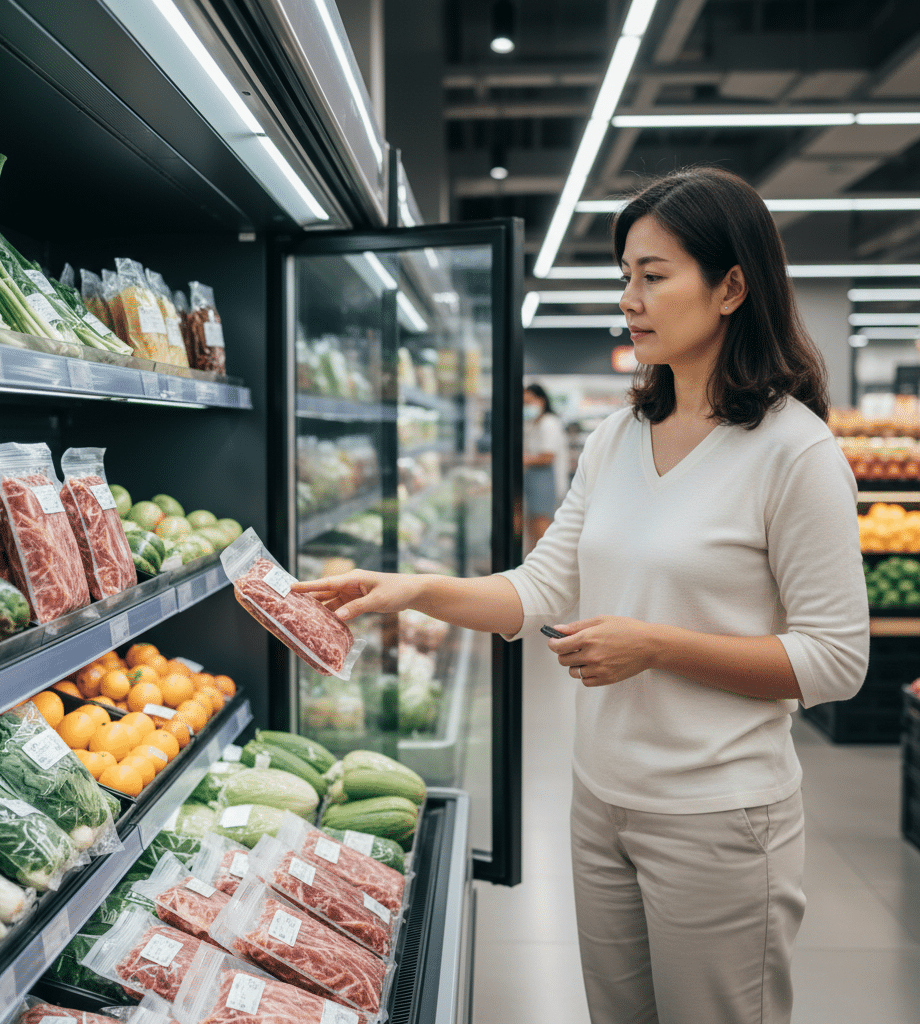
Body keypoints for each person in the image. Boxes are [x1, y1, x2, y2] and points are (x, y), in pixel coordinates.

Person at [293, 166, 869, 1024]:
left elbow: (836, 660)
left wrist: (657, 645)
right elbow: (537, 588)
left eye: (654, 275)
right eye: (624, 277)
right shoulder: (616, 437)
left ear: (732, 287)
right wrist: (409, 587)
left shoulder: (796, 452)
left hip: (719, 818)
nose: (629, 299)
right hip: (600, 802)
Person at [523, 382, 568, 547]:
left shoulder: (549, 423)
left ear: (541, 401)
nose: (526, 407)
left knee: (542, 525)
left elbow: (547, 456)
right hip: (534, 481)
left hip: (547, 482)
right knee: (533, 525)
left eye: (528, 402)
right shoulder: (533, 424)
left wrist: (524, 459)